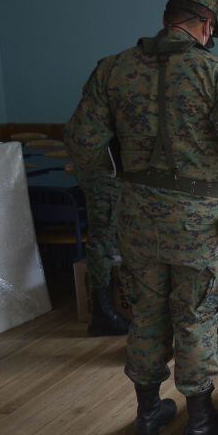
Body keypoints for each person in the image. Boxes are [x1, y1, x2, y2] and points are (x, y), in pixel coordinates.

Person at [65, 0, 218, 435]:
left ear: (167, 17)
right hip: (198, 218)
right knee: (196, 313)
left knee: (146, 311)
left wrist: (116, 184)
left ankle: (147, 414)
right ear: (206, 24)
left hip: (136, 214)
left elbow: (82, 140)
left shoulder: (112, 70)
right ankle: (198, 420)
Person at [67, 143, 128, 337]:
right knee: (103, 241)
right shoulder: (102, 113)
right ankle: (103, 315)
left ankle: (105, 313)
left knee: (109, 237)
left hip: (109, 171)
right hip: (105, 174)